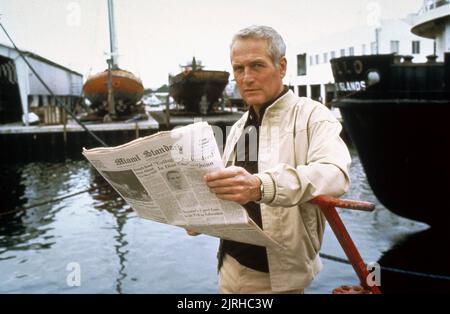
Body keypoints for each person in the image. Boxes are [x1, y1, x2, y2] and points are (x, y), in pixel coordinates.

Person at [189, 25, 351, 294]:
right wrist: (199, 216)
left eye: (257, 66)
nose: (246, 77)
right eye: (238, 69)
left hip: (276, 277)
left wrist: (261, 186)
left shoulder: (313, 116)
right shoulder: (241, 126)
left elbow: (336, 174)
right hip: (228, 266)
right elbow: (233, 191)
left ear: (282, 66)